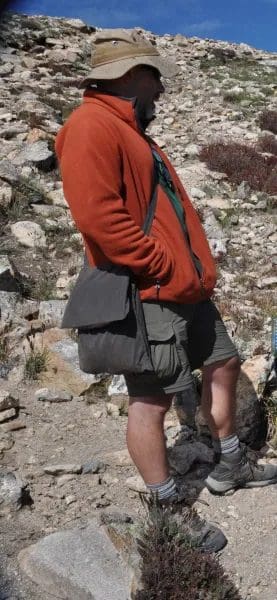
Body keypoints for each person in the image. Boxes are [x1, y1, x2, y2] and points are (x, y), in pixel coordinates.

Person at [55, 29, 277, 553]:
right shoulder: (90, 126)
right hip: (148, 292)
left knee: (223, 362)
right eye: (155, 78)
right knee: (150, 401)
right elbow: (100, 220)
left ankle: (228, 461)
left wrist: (190, 267)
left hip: (185, 288)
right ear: (131, 76)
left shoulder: (133, 133)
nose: (162, 89)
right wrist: (163, 266)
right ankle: (170, 507)